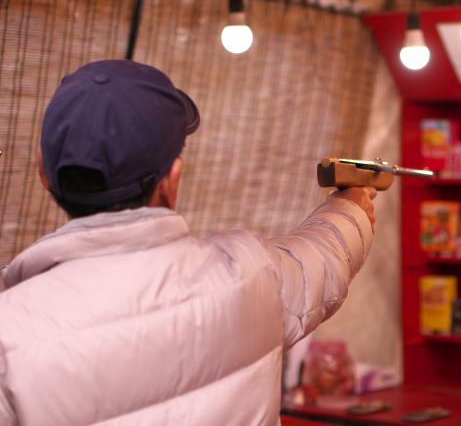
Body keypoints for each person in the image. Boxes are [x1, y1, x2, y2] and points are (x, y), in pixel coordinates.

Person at [0, 60, 376, 426]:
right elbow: (323, 255)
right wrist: (351, 204)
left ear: (43, 172)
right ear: (172, 178)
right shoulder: (251, 273)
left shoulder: (10, 329)